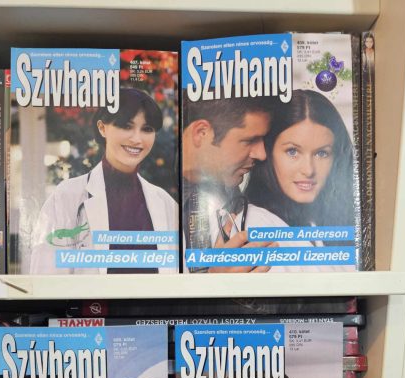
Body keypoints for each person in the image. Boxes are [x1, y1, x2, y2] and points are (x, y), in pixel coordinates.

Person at [29, 87, 178, 274]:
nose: (137, 139)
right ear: (102, 128)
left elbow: (182, 282)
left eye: (147, 129)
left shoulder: (165, 203)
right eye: (126, 126)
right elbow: (45, 279)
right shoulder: (68, 196)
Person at [182, 95, 292, 273]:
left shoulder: (258, 217)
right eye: (249, 140)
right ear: (201, 133)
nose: (261, 154)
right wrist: (215, 285)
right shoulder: (157, 202)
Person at [246, 89, 356, 233]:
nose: (309, 170)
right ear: (269, 151)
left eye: (321, 153)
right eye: (292, 152)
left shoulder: (316, 221)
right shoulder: (256, 223)